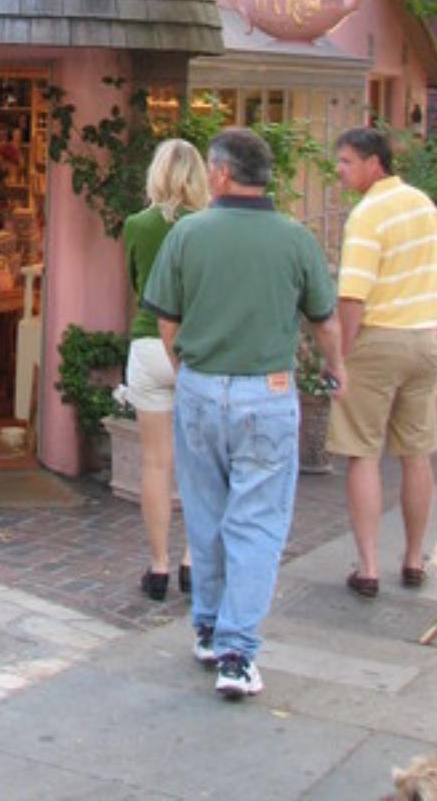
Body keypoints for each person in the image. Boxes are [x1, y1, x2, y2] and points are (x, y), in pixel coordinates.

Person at [146, 128, 345, 701]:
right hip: (268, 390)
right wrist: (336, 367)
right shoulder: (295, 238)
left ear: (222, 174)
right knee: (257, 521)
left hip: (201, 385)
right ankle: (237, 652)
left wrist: (187, 371)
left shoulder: (188, 233)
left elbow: (166, 318)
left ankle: (209, 628)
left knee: (205, 512)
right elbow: (324, 320)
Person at [326, 125, 437, 598]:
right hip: (422, 337)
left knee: (363, 452)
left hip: (378, 338)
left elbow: (353, 294)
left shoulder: (367, 214)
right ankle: (414, 559)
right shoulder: (423, 205)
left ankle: (369, 566)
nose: (340, 171)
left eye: (347, 162)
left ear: (374, 164)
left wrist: (341, 355)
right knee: (417, 453)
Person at [123, 138, 209, 600]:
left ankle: (158, 566)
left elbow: (137, 282)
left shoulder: (138, 225)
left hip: (148, 343)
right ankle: (192, 560)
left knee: (155, 462)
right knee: (199, 461)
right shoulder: (210, 227)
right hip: (196, 347)